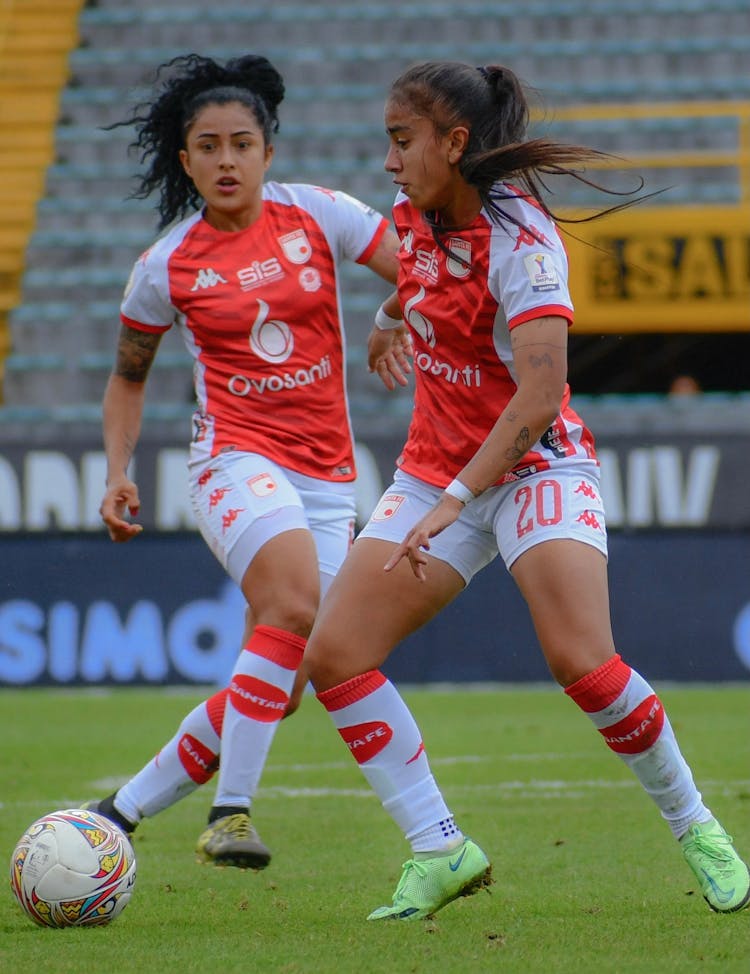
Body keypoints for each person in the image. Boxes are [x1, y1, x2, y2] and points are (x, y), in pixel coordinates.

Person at [301, 60, 750, 920]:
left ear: (455, 142)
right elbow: (417, 276)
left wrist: (455, 499)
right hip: (439, 471)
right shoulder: (416, 214)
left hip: (533, 464)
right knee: (335, 655)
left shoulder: (524, 241)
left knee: (581, 662)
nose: (390, 163)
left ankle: (696, 826)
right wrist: (389, 321)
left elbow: (540, 396)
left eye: (403, 142)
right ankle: (441, 849)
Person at [88, 52, 409, 869]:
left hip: (329, 475)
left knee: (282, 684)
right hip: (233, 458)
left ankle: (116, 814)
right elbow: (128, 380)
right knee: (295, 603)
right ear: (185, 158)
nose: (226, 160)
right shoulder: (167, 266)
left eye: (241, 143)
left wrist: (389, 315)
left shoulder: (319, 215)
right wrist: (118, 470)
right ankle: (231, 812)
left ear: (268, 150)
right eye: (208, 146)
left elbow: (422, 266)